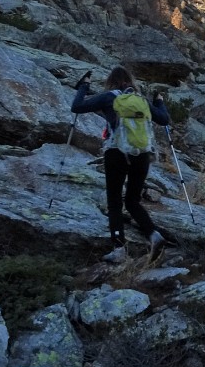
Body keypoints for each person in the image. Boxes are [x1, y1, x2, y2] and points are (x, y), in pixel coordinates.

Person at [71, 66, 172, 255]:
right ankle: (154, 235)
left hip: (116, 152)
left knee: (115, 202)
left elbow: (76, 107)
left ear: (111, 81)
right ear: (130, 81)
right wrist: (159, 102)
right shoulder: (141, 101)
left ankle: (119, 248)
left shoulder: (109, 97)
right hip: (141, 154)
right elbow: (164, 119)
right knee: (133, 200)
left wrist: (83, 87)